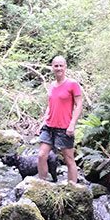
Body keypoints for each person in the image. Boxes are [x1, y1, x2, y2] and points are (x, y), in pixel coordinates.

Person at [37, 55, 83, 183]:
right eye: (56, 66)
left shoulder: (72, 84)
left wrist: (72, 124)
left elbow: (79, 105)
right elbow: (50, 105)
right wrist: (43, 122)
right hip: (49, 126)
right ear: (52, 67)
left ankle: (72, 187)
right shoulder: (52, 85)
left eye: (61, 65)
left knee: (69, 159)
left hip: (64, 127)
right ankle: (41, 184)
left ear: (65, 67)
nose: (58, 68)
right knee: (41, 155)